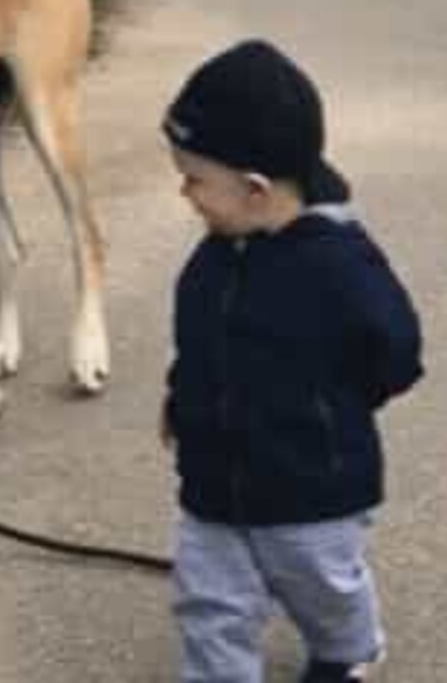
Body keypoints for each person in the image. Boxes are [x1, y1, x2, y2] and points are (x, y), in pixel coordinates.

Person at [159, 39, 425, 683]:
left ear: (254, 189)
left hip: (314, 488)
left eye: (195, 177)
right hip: (215, 484)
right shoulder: (216, 255)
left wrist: (327, 408)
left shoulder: (339, 267)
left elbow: (395, 351)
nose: (184, 191)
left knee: (323, 591)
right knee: (209, 602)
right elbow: (197, 340)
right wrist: (181, 398)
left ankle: (349, 650)